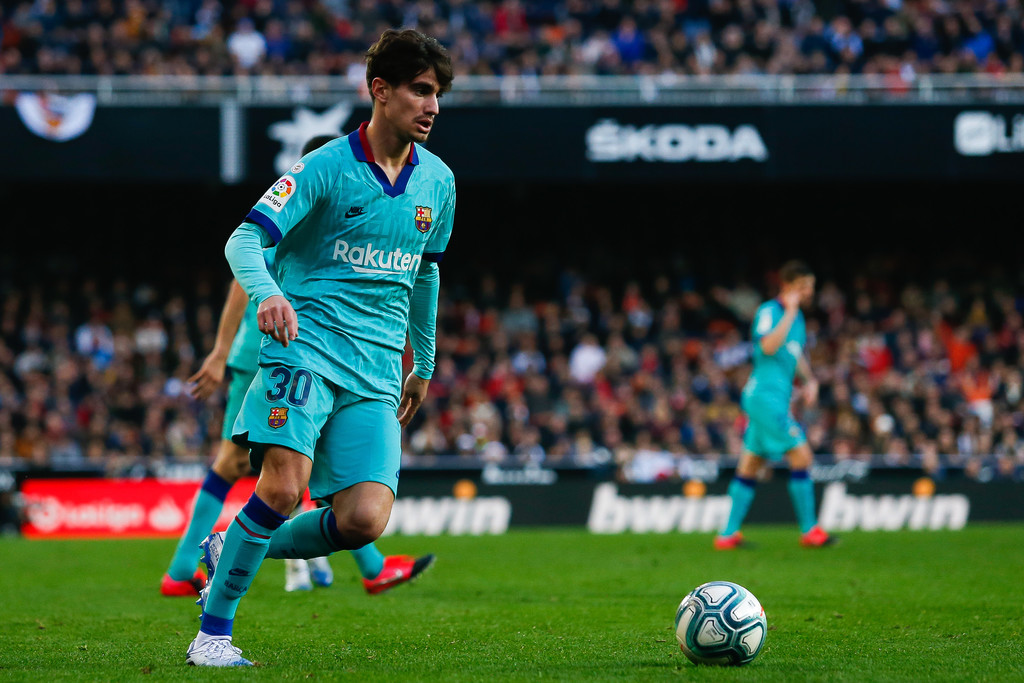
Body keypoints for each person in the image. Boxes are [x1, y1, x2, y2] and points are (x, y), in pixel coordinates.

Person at [185, 28, 455, 667]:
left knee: (364, 520)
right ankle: (212, 637)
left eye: (438, 94)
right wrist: (270, 293)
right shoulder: (324, 168)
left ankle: (232, 545)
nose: (432, 106)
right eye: (420, 91)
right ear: (379, 91)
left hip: (377, 367)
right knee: (281, 489)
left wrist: (425, 360)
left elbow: (426, 274)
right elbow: (242, 242)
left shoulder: (438, 183)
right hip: (303, 349)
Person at [714, 260, 837, 550]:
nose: (809, 292)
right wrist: (790, 311)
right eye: (804, 287)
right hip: (764, 399)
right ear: (788, 286)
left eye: (811, 287)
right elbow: (768, 347)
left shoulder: (798, 320)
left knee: (751, 464)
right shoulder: (770, 312)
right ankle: (810, 530)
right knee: (802, 455)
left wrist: (809, 380)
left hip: (773, 399)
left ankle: (727, 535)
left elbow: (794, 353)